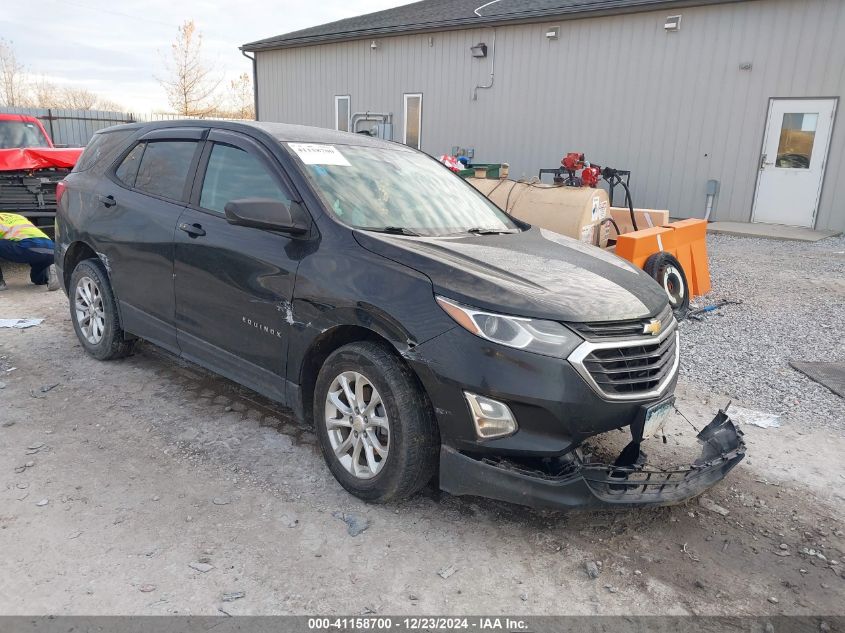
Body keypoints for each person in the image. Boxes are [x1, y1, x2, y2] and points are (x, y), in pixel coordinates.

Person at [0, 212, 60, 291]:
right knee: (37, 279)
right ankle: (49, 272)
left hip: (30, 246)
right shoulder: (15, 216)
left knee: (32, 252)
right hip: (51, 248)